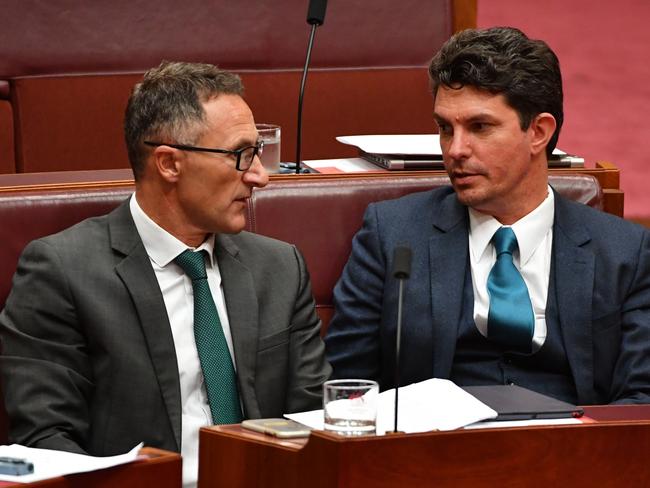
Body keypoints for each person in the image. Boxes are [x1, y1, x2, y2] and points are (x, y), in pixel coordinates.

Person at [0, 61, 331, 487]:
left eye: (258, 152)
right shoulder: (62, 271)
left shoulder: (279, 267)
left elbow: (313, 420)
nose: (259, 176)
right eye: (239, 155)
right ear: (169, 164)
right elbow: (46, 440)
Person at [325, 27, 650, 405]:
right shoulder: (392, 234)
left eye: (480, 127)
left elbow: (642, 397)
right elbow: (348, 389)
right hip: (430, 451)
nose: (455, 150)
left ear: (539, 132)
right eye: (446, 129)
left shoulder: (624, 251)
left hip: (569, 451)